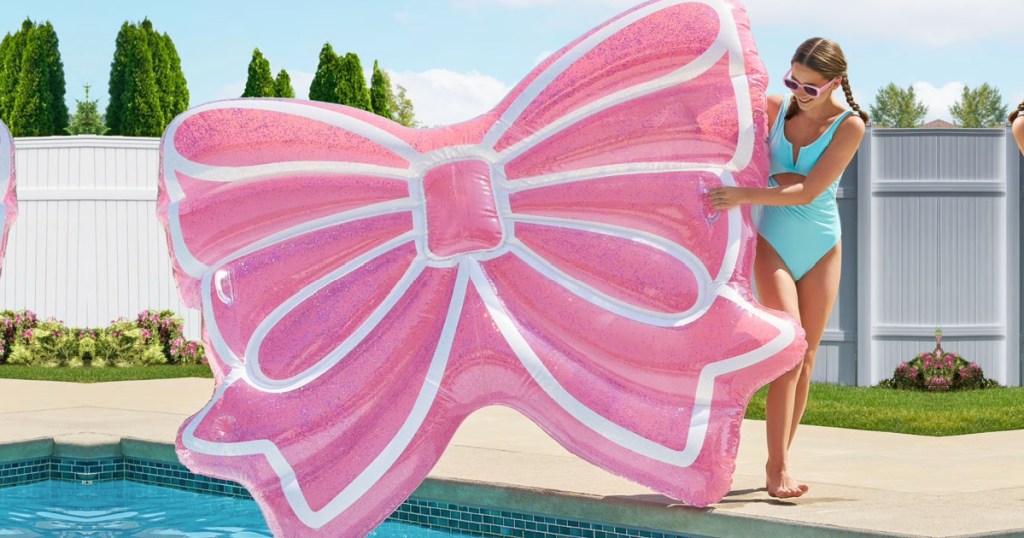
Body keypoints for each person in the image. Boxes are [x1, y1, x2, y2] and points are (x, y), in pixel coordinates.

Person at [709, 37, 867, 499]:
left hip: (822, 245)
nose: (800, 92)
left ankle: (780, 462)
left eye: (810, 87)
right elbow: (722, 111)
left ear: (835, 82)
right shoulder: (775, 109)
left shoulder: (850, 126)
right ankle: (776, 467)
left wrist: (750, 192)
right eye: (793, 81)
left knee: (808, 357)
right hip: (773, 242)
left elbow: (809, 192)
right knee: (788, 349)